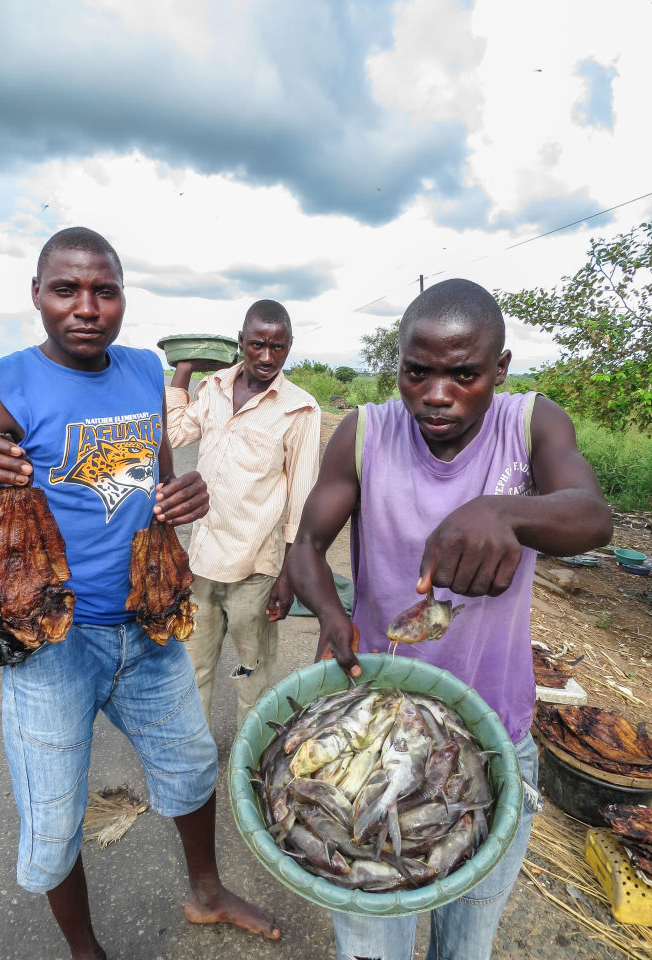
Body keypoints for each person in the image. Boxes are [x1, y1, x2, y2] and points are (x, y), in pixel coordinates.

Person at [0, 227, 280, 959]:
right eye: (66, 289)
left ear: (124, 298)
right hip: (51, 645)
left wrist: (184, 495)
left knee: (190, 769)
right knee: (56, 820)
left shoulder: (141, 372)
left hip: (147, 629)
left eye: (105, 290)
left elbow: (153, 482)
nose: (86, 306)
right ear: (37, 295)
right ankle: (86, 952)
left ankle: (206, 894)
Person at [287, 278, 612, 960]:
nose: (437, 394)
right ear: (398, 366)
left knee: (467, 942)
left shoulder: (531, 424)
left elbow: (591, 516)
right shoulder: (365, 433)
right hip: (377, 731)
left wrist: (504, 512)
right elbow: (307, 546)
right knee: (374, 938)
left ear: (499, 368)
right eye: (418, 372)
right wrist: (328, 613)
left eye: (464, 374)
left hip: (498, 734)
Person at [166, 300, 320, 729]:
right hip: (202, 564)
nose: (267, 357)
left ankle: (250, 760)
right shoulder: (213, 387)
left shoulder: (300, 408)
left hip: (256, 571)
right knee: (193, 669)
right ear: (241, 343)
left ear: (289, 347)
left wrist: (288, 578)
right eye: (257, 344)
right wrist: (184, 369)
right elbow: (176, 432)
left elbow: (303, 503)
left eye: (278, 347)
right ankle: (193, 759)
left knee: (250, 677)